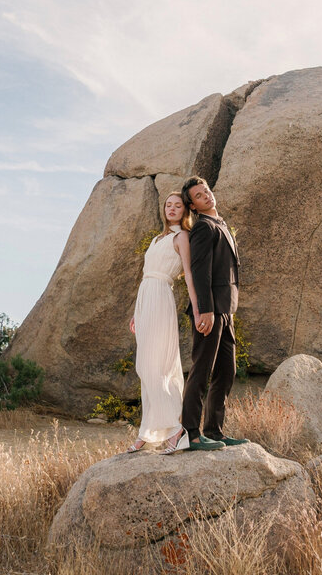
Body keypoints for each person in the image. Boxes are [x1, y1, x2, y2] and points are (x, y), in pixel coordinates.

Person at [126, 192, 198, 455]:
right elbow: (147, 276)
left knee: (154, 367)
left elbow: (188, 274)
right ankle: (148, 431)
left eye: (177, 205)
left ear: (185, 211)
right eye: (168, 205)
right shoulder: (158, 238)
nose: (171, 208)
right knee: (145, 367)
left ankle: (174, 429)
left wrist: (198, 310)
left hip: (161, 297)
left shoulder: (182, 237)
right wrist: (137, 312)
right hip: (146, 299)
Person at [179, 175, 247, 451]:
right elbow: (200, 272)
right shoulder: (203, 228)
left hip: (226, 309)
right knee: (201, 370)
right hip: (211, 311)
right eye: (198, 195)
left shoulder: (221, 224)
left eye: (206, 190)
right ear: (193, 206)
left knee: (226, 370)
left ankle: (214, 431)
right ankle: (191, 433)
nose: (206, 195)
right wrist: (203, 310)